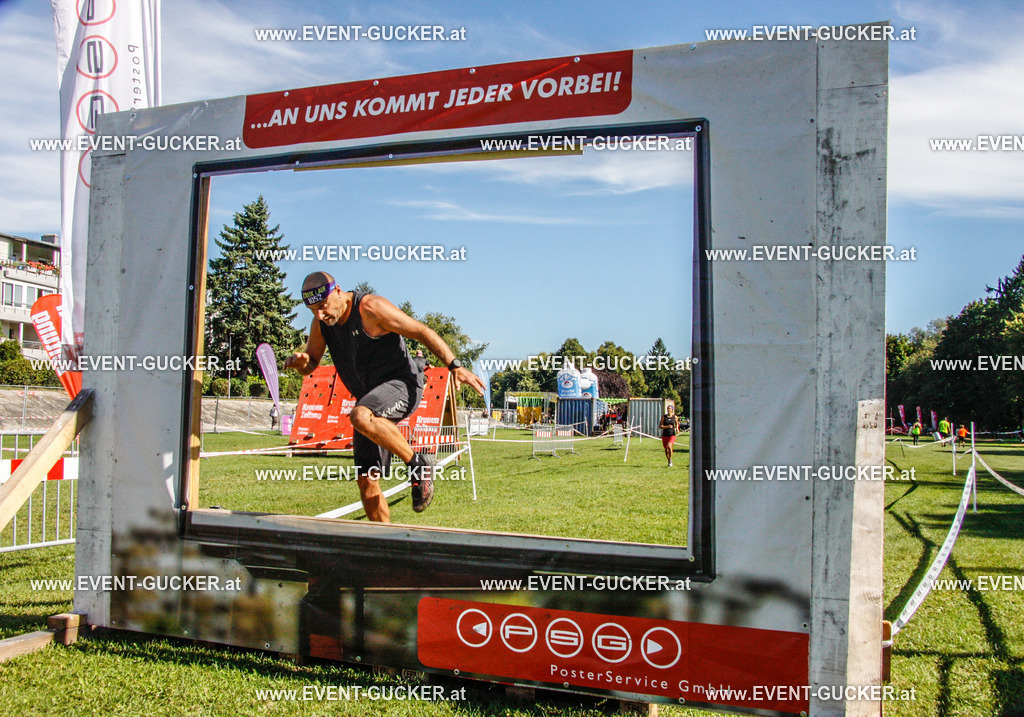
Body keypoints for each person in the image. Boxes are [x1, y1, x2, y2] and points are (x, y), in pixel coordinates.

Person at [285, 272, 485, 523]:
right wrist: (303, 363)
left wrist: (454, 364)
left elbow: (421, 331)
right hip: (371, 400)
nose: (320, 315)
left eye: (323, 307)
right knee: (367, 480)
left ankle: (419, 465)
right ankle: (384, 541)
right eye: (312, 310)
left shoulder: (371, 308)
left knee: (360, 415)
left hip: (404, 384)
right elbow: (311, 362)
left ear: (337, 291)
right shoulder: (322, 324)